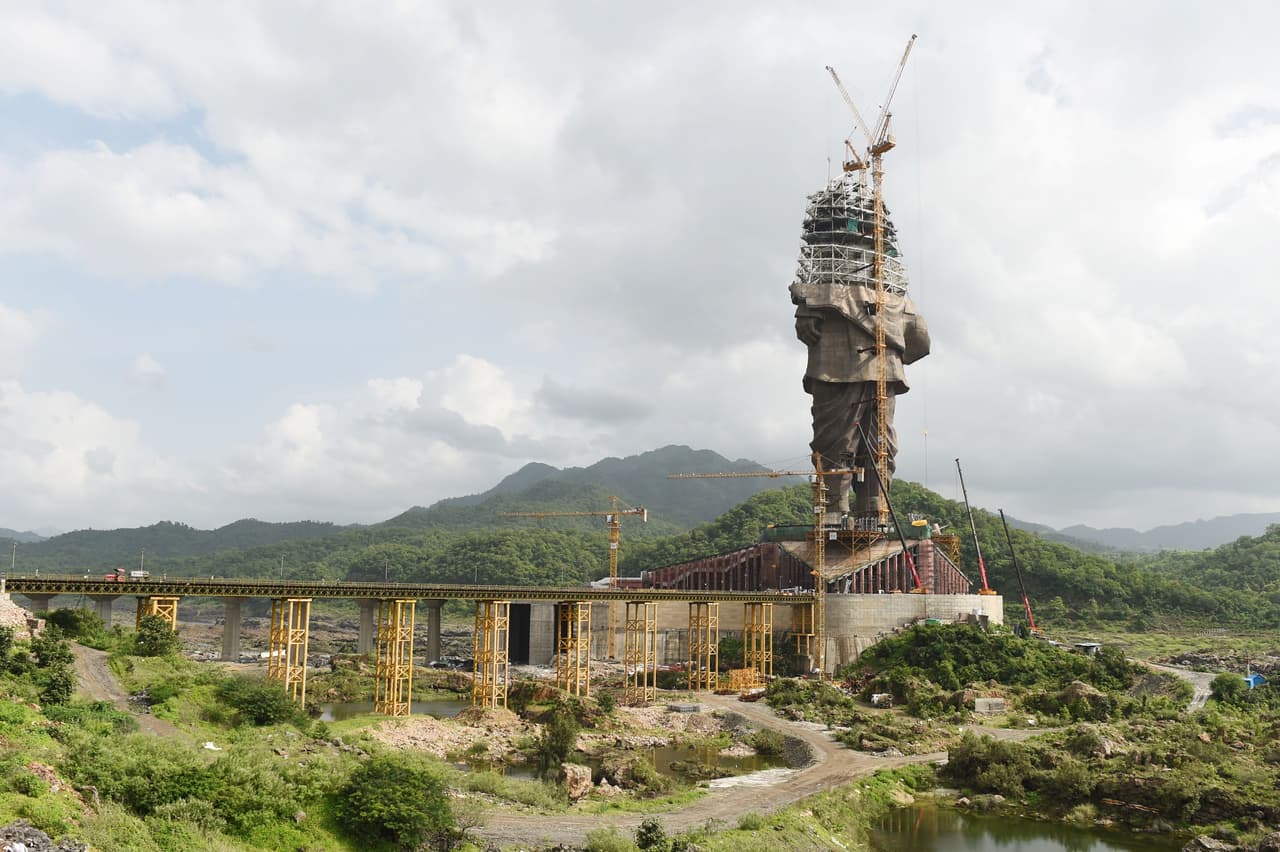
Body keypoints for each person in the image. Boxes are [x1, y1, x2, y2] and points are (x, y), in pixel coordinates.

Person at [793, 292, 929, 524]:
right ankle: (835, 508)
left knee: (880, 443)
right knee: (838, 441)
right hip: (838, 364)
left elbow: (917, 337)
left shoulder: (893, 290)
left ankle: (874, 506)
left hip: (884, 366)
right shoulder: (828, 277)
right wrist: (807, 309)